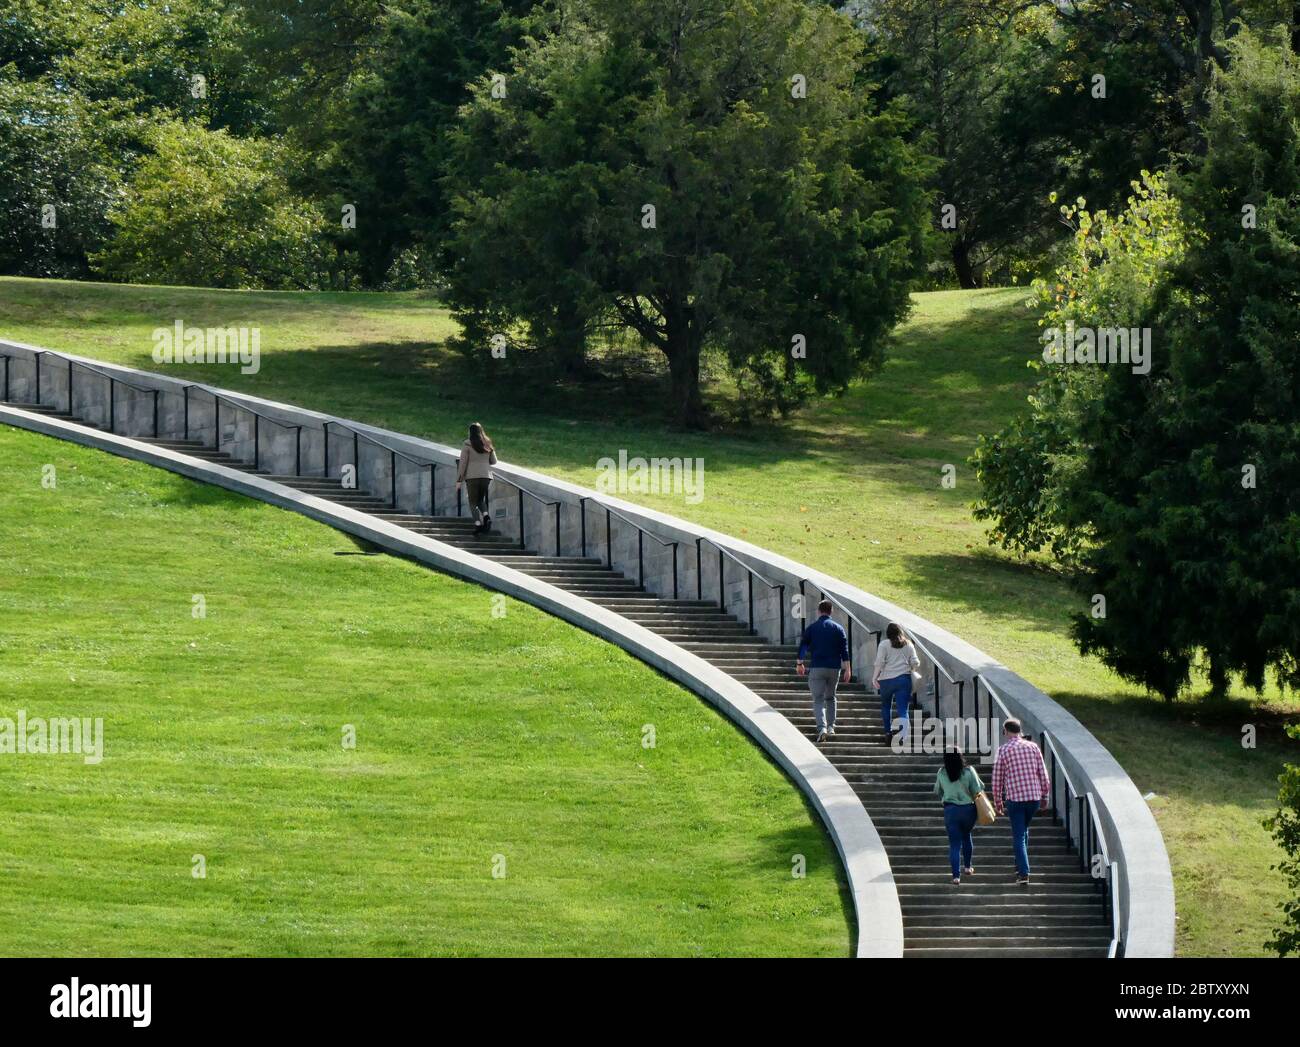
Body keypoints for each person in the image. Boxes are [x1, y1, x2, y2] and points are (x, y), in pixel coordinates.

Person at [990, 717, 1051, 886]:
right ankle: (1019, 863)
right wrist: (1045, 796)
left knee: (1018, 835)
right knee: (1023, 830)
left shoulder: (1003, 750)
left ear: (1006, 731)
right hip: (1033, 798)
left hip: (1015, 799)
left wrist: (998, 802)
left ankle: (1023, 873)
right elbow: (1043, 774)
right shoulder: (1033, 747)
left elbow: (997, 779)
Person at [796, 600, 850, 745]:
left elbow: (803, 646)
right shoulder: (839, 629)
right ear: (831, 611)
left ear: (818, 611)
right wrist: (848, 669)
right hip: (834, 668)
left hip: (817, 668)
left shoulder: (812, 628)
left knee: (818, 699)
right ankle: (831, 727)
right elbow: (844, 651)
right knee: (831, 697)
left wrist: (800, 663)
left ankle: (822, 728)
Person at [933, 747, 983, 884]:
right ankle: (968, 867)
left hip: (951, 811)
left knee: (954, 844)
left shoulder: (942, 772)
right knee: (966, 836)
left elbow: (938, 790)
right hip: (968, 810)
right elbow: (978, 789)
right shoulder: (968, 771)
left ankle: (956, 876)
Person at [872, 623, 920, 743]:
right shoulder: (908, 644)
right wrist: (910, 668)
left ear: (888, 633)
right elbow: (915, 662)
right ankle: (903, 737)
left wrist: (874, 678)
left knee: (886, 707)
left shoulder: (884, 644)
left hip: (886, 681)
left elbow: (879, 663)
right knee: (903, 710)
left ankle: (888, 734)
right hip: (904, 680)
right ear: (900, 632)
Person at [456, 422, 498, 535]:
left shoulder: (467, 444)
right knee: (480, 499)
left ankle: (478, 524)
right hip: (486, 476)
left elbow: (463, 464)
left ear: (470, 432)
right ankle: (486, 517)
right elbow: (494, 461)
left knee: (472, 502)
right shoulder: (487, 443)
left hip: (472, 477)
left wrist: (459, 480)